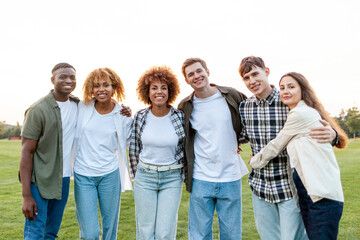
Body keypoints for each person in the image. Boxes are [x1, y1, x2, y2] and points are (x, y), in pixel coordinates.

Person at [238, 56, 338, 240]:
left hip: (288, 186)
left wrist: (333, 135)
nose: (252, 81)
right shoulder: (245, 107)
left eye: (255, 74)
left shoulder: (290, 101)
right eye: (246, 78)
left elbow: (322, 128)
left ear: (266, 71)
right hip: (260, 187)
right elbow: (241, 135)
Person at [178, 57, 249, 240]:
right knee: (199, 235)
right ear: (186, 80)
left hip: (230, 176)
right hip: (200, 178)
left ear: (207, 72)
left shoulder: (232, 95)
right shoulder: (185, 106)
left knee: (232, 235)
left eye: (199, 71)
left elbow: (252, 115)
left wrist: (239, 140)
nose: (196, 76)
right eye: (191, 74)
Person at [72, 68, 132, 240]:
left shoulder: (122, 113)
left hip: (110, 174)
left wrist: (129, 115)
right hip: (84, 175)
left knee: (110, 228)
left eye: (106, 85)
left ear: (114, 87)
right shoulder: (82, 107)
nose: (101, 89)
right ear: (91, 89)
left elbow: (128, 142)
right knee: (90, 233)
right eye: (96, 86)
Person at [20, 63, 78, 239]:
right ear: (53, 80)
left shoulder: (78, 105)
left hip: (63, 178)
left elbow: (102, 106)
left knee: (51, 233)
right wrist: (26, 195)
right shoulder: (38, 110)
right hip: (40, 181)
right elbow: (26, 153)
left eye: (72, 77)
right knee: (36, 233)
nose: (68, 80)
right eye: (63, 77)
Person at [129, 66, 185, 240]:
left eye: (163, 88)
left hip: (172, 177)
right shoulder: (140, 116)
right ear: (147, 91)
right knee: (145, 230)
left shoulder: (179, 116)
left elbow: (186, 146)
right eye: (154, 88)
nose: (159, 92)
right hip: (145, 177)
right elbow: (134, 149)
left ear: (170, 91)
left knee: (165, 231)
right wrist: (136, 176)